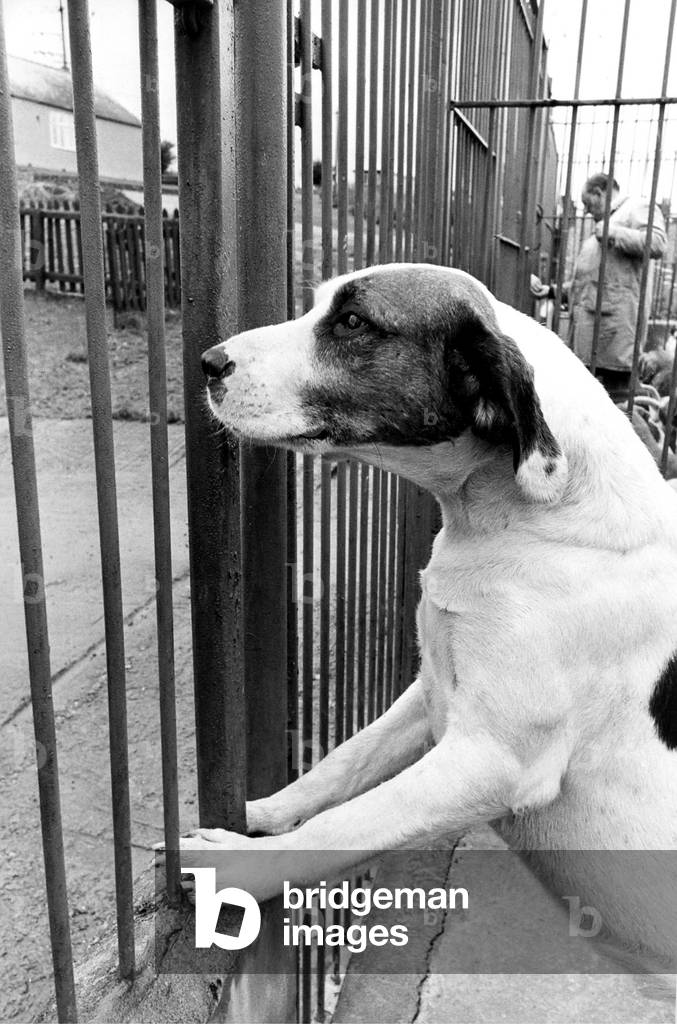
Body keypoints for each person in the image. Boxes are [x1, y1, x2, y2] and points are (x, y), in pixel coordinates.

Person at [533, 174, 668, 402]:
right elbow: (590, 284)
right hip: (592, 339)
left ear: (600, 193)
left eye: (588, 203)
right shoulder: (607, 221)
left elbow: (657, 242)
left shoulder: (636, 208)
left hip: (614, 340)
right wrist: (552, 291)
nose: (586, 210)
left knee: (616, 403)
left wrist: (612, 233)